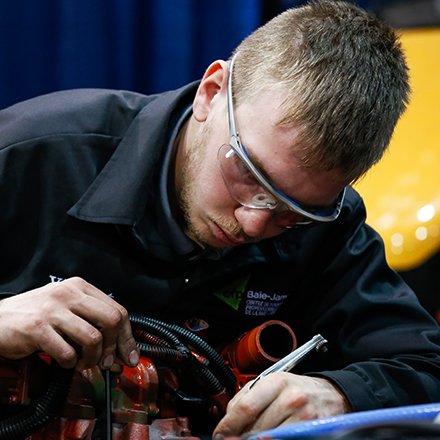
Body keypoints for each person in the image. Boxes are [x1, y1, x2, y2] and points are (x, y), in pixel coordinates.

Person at [0, 0, 439, 437]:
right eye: (247, 172)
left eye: (293, 212)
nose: (252, 223)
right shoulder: (26, 158)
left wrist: (339, 394)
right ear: (211, 92)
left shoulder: (329, 223)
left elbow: (424, 366)